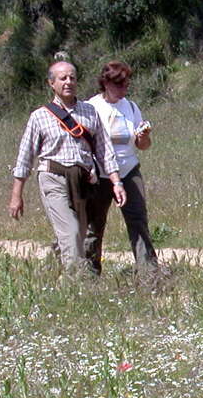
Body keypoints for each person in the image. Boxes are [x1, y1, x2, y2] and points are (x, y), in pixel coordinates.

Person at [9, 60, 126, 275]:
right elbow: (25, 157)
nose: (68, 82)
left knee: (78, 235)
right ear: (51, 83)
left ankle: (52, 275)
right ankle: (75, 286)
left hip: (83, 181)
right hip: (53, 178)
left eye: (72, 77)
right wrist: (17, 195)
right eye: (63, 78)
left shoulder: (90, 112)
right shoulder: (39, 116)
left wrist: (116, 182)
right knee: (71, 232)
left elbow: (104, 151)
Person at [85, 60, 159, 273]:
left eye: (126, 85)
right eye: (119, 85)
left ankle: (148, 272)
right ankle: (90, 273)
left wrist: (144, 136)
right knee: (94, 224)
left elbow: (142, 146)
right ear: (106, 83)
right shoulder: (92, 107)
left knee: (138, 221)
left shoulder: (131, 107)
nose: (124, 90)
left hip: (128, 171)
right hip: (100, 174)